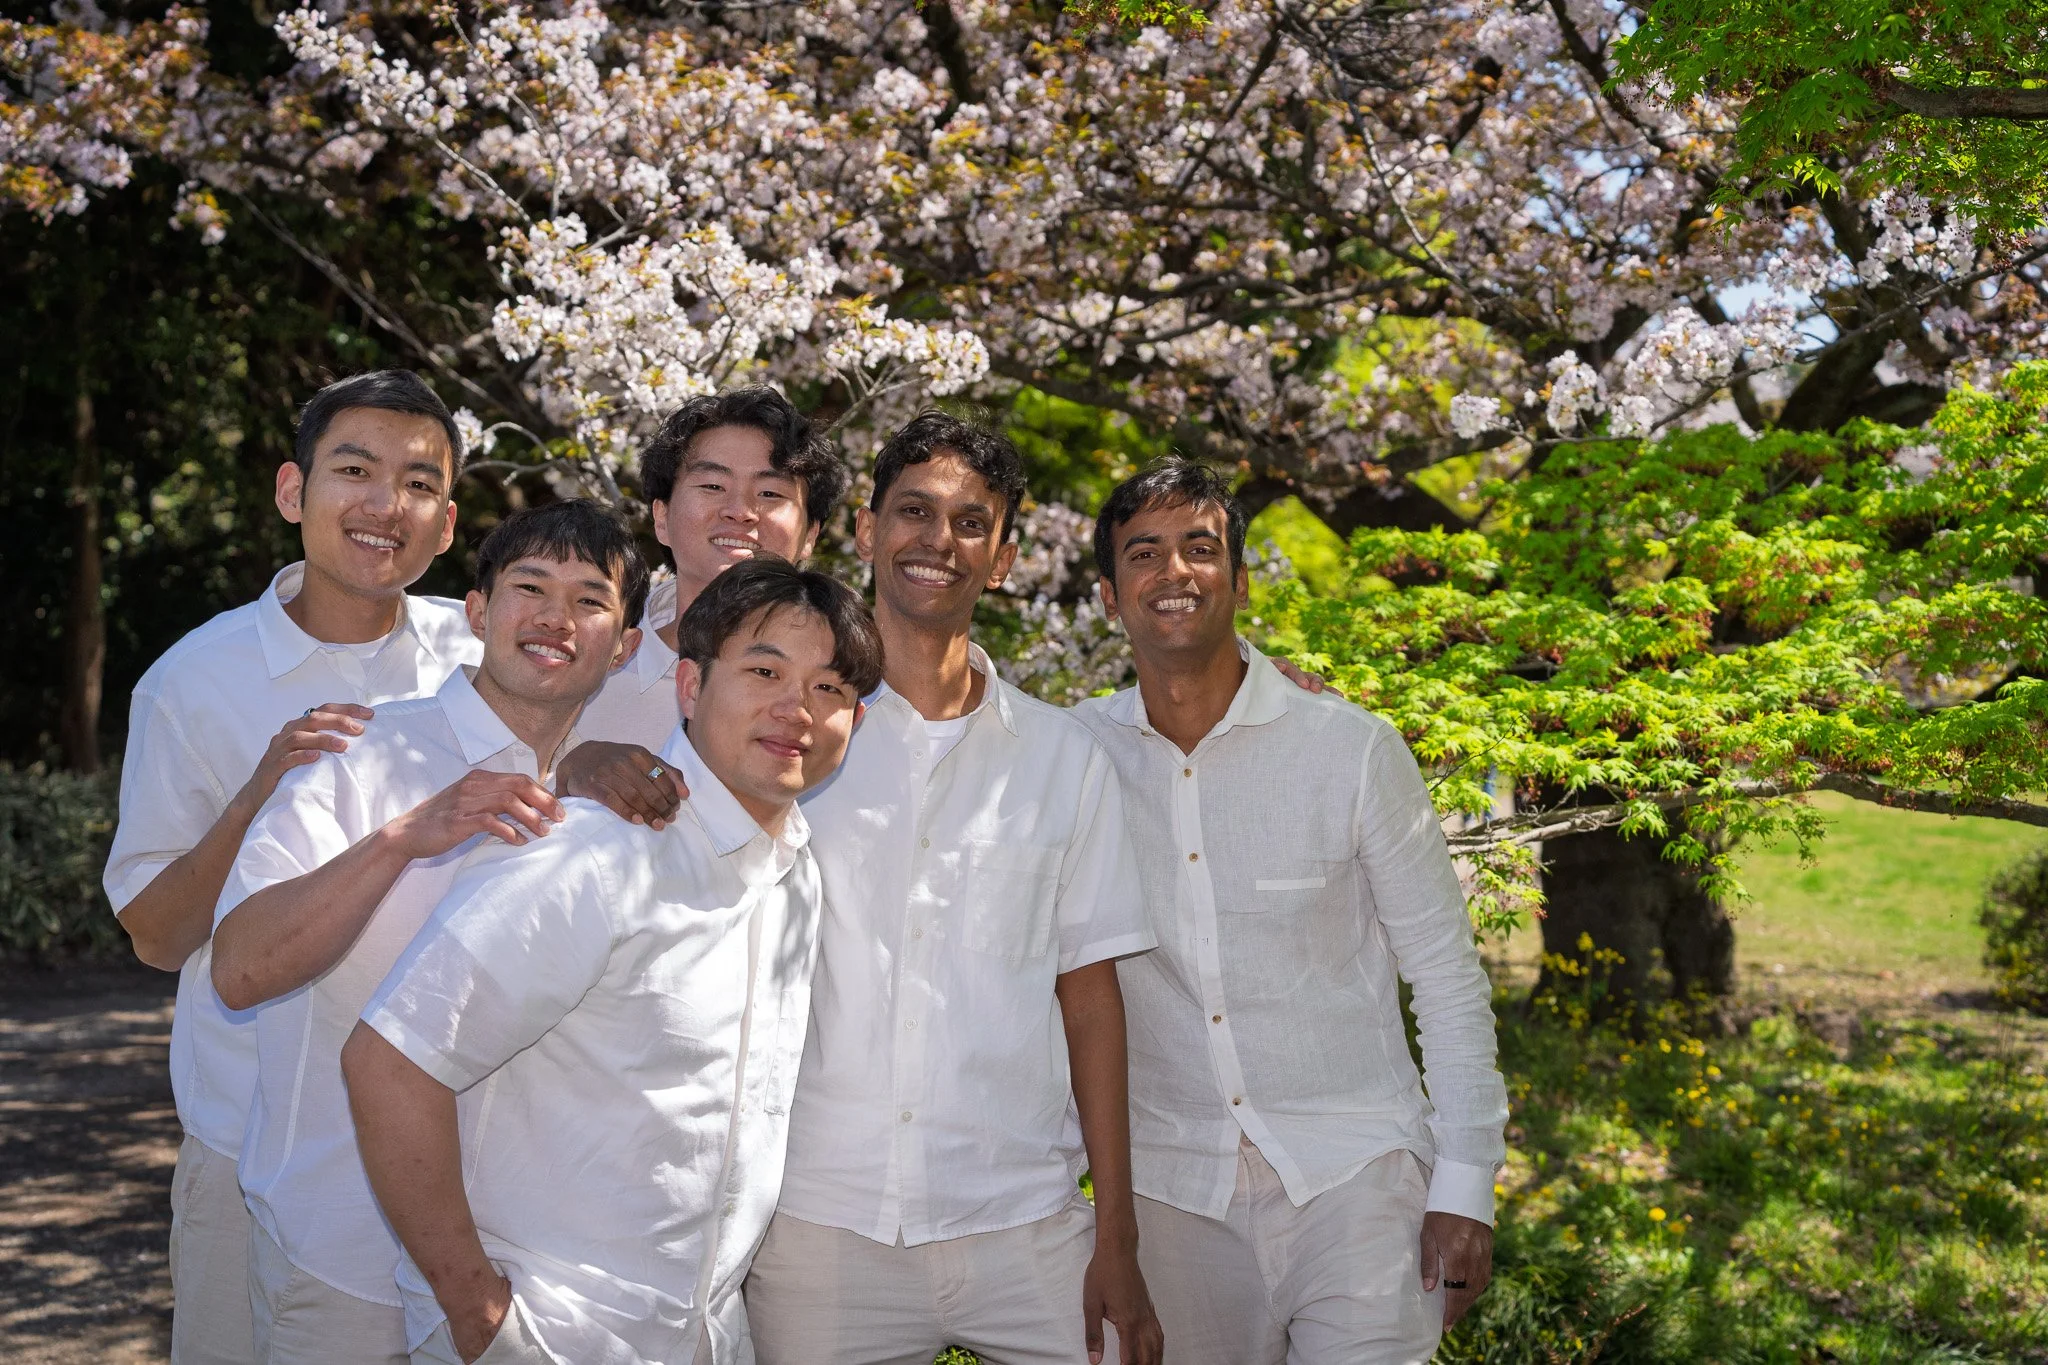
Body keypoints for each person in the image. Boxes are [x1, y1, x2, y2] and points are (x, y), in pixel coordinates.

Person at [344, 556, 883, 1365]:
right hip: (548, 1334)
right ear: (691, 687)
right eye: (764, 670)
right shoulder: (596, 855)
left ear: (855, 721)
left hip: (700, 1336)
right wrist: (477, 1310)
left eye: (829, 689)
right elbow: (388, 1059)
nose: (794, 709)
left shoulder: (795, 872)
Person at [744, 412, 1166, 1365]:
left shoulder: (1065, 758)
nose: (939, 540)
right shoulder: (789, 739)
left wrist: (1118, 1237)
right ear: (865, 529)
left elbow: (1090, 997)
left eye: (971, 522)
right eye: (915, 511)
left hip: (1026, 1221)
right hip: (819, 1224)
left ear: (1005, 556)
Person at [1074, 460, 1510, 1365]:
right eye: (1144, 553)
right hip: (1168, 1191)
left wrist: (1465, 1183)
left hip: (1355, 1172)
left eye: (1201, 547)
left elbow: (1444, 974)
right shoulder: (1070, 758)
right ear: (1111, 598)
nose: (1176, 572)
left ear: (1239, 578)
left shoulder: (1351, 749)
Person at [205, 499, 648, 1362]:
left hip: (521, 1281)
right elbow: (239, 969)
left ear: (624, 646)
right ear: (477, 611)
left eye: (591, 599)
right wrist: (407, 834)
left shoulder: (608, 798)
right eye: (530, 587)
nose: (556, 618)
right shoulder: (361, 755)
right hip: (345, 1263)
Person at [103, 369, 481, 1365]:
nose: (382, 505)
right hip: (247, 1141)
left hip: (464, 1140)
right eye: (353, 470)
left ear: (445, 524)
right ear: (291, 491)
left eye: (416, 482)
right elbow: (155, 936)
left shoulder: (481, 652)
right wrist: (260, 788)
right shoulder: (196, 677)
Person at [564, 387, 849, 822]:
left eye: (771, 494)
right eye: (712, 485)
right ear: (661, 517)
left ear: (810, 534)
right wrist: (566, 771)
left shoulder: (837, 701)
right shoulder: (579, 659)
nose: (740, 511)